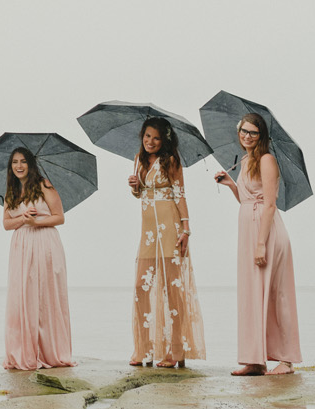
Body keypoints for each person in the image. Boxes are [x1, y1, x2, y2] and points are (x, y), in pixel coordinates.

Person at [215, 112, 302, 376]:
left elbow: (269, 204)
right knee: (251, 294)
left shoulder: (266, 159)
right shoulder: (245, 160)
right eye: (244, 130)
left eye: (253, 132)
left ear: (261, 136)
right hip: (248, 230)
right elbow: (247, 199)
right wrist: (231, 184)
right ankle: (255, 360)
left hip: (267, 232)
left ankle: (285, 360)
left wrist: (261, 244)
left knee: (276, 294)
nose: (246, 136)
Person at [128, 117, 206, 368]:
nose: (150, 141)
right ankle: (144, 349)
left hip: (170, 227)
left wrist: (186, 229)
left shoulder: (171, 161)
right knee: (142, 285)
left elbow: (179, 194)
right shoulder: (138, 160)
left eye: (156, 138)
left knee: (173, 289)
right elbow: (141, 193)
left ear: (165, 141)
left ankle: (176, 350)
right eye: (147, 136)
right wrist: (134, 186)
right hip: (148, 231)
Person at [2, 147, 74, 370]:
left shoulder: (44, 185)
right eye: (15, 162)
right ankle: (24, 351)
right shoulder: (11, 191)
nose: (19, 166)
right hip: (21, 245)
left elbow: (59, 217)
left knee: (44, 296)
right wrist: (23, 219)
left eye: (23, 161)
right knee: (22, 296)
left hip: (44, 242)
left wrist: (36, 222)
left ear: (31, 164)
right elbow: (6, 224)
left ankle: (50, 352)